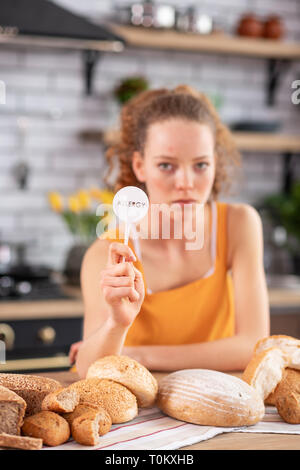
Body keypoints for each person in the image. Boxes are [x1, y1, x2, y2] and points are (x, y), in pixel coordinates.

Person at [72, 85, 270, 379]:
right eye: (166, 165)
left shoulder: (239, 224)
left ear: (215, 164)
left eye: (201, 165)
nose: (186, 182)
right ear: (140, 166)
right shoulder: (107, 253)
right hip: (140, 417)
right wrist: (116, 324)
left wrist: (139, 355)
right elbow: (89, 367)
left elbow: (253, 345)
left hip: (216, 402)